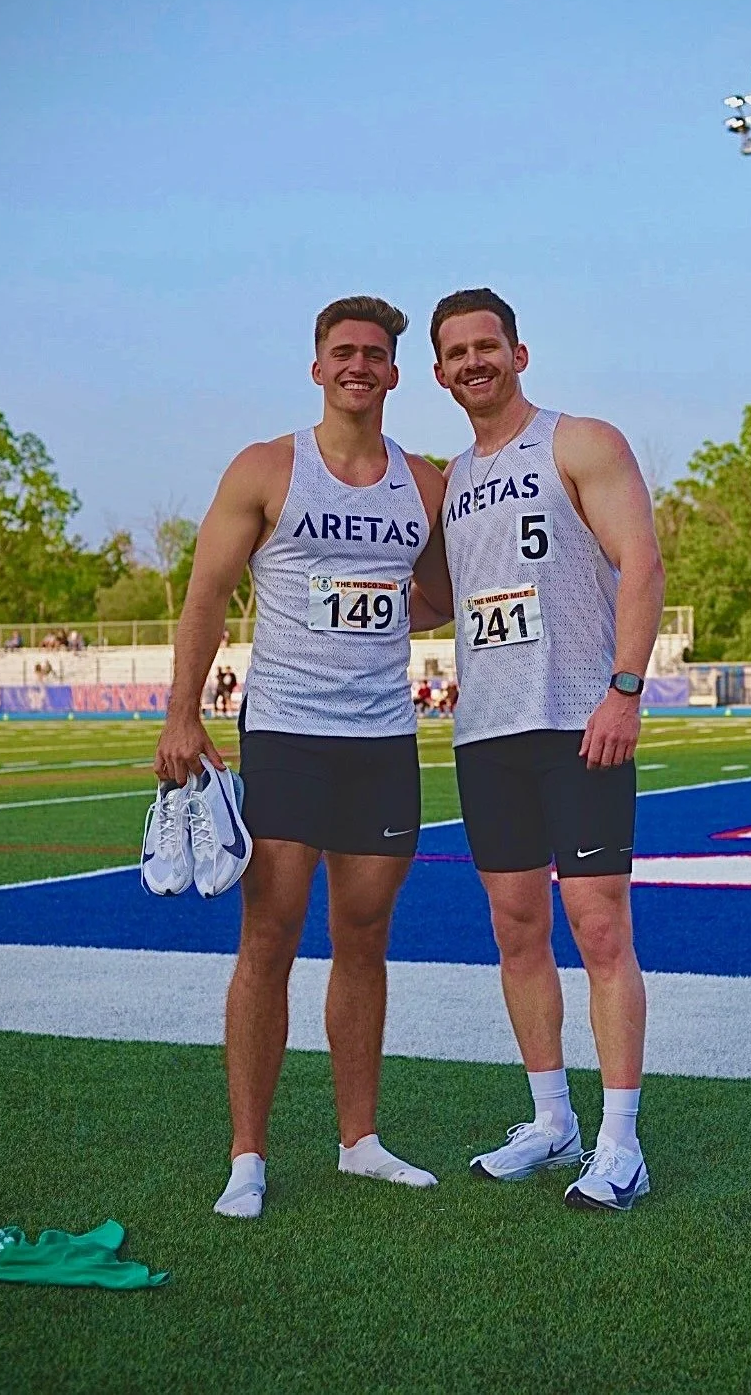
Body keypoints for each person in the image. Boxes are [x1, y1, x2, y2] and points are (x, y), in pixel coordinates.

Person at [153, 294, 453, 1217]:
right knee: (269, 939)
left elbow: (439, 596)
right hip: (284, 734)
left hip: (382, 741)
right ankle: (249, 1156)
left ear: (396, 373)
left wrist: (377, 612)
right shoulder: (266, 467)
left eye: (374, 353)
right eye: (342, 352)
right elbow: (205, 593)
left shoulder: (426, 483)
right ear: (317, 367)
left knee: (363, 939)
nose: (358, 365)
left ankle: (357, 1140)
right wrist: (181, 716)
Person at [431, 287, 665, 1212]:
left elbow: (640, 562)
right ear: (441, 373)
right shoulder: (448, 480)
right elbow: (437, 601)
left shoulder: (582, 441)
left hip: (578, 720)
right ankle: (550, 1119)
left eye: (487, 346)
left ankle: (620, 1142)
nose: (473, 363)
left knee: (600, 927)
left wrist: (624, 686)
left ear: (518, 355)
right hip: (487, 733)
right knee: (515, 928)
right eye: (456, 353)